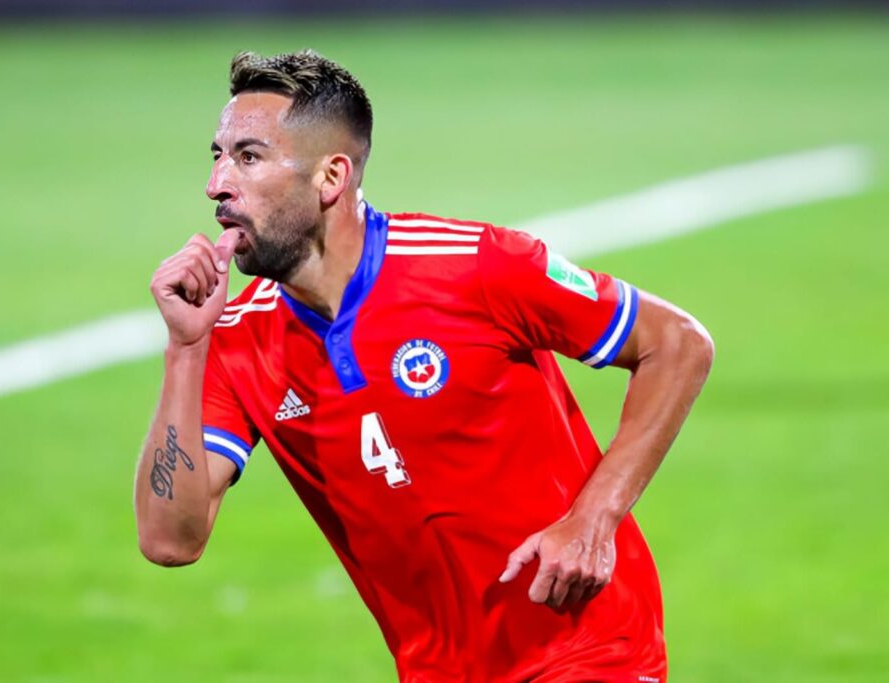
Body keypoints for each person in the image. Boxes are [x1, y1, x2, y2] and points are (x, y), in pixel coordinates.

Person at [134, 49, 713, 683]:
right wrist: (186, 349)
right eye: (217, 156)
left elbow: (677, 343)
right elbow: (170, 541)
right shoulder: (238, 341)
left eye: (248, 157)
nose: (217, 183)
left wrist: (593, 519)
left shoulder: (477, 266)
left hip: (589, 651)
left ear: (331, 177)